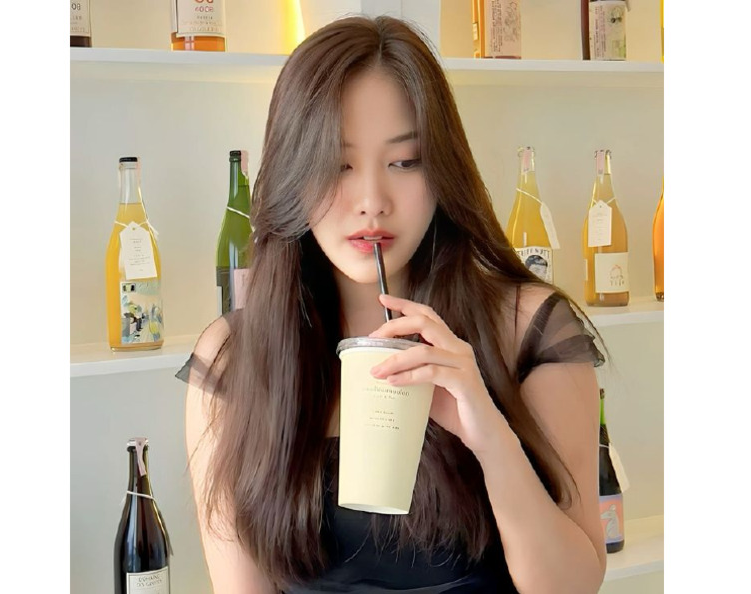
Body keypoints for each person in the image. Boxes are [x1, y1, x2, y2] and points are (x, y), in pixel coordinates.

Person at [177, 14, 608, 594]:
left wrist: (489, 435)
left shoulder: (526, 328)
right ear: (292, 173)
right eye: (338, 164)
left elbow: (573, 586)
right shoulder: (234, 358)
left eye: (404, 162)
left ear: (443, 169)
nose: (372, 201)